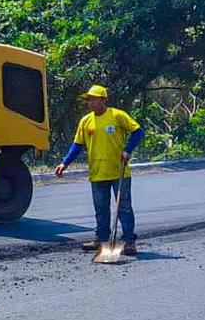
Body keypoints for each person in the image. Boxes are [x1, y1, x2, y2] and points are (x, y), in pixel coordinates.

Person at [54, 85, 145, 256]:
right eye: (89, 99)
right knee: (101, 208)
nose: (91, 102)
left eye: (94, 99)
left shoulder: (117, 115)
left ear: (104, 100)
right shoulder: (85, 121)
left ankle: (129, 241)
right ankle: (101, 239)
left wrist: (128, 150)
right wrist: (65, 163)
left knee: (124, 207)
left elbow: (137, 131)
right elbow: (78, 145)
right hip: (97, 171)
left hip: (119, 171)